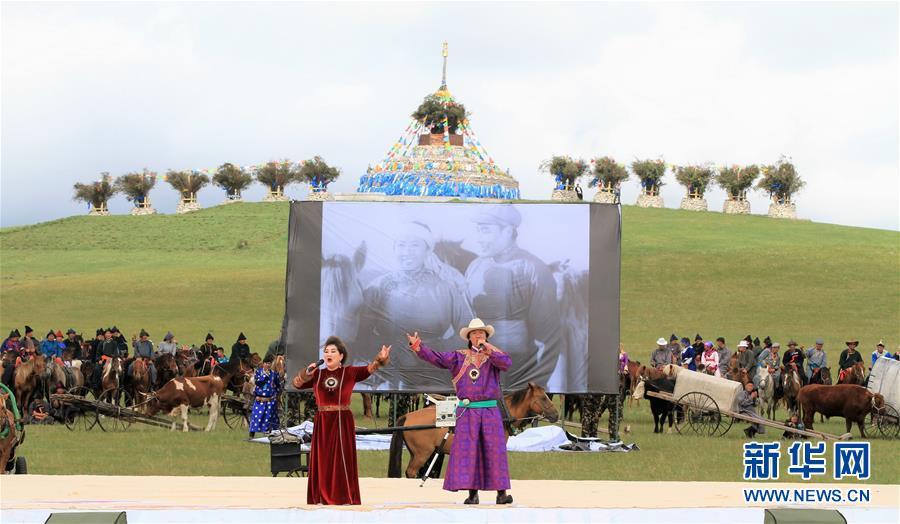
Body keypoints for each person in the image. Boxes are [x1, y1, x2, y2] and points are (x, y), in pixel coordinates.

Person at [406, 318, 514, 505]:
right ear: (469, 337)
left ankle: (501, 493)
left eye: (481, 333)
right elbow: (437, 358)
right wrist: (418, 346)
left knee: (494, 451)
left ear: (486, 336)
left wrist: (488, 348)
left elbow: (506, 363)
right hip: (468, 412)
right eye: (474, 333)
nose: (478, 335)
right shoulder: (459, 357)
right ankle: (472, 494)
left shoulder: (495, 356)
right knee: (469, 453)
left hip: (489, 411)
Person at [359, 220, 474, 390]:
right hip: (390, 375)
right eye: (401, 245)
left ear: (428, 250)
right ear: (394, 249)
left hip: (435, 373)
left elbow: (467, 331)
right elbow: (362, 334)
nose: (407, 252)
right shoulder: (377, 287)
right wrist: (385, 357)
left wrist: (438, 352)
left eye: (414, 245)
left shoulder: (445, 287)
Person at [464, 205, 565, 389]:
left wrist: (535, 386)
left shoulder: (534, 269)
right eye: (478, 230)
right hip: (476, 368)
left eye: (485, 230)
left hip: (517, 369)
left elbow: (548, 338)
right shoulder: (475, 267)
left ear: (508, 231)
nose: (479, 238)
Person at [292, 336, 391, 505]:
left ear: (341, 356)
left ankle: (343, 495)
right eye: (326, 351)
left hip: (341, 420)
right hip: (323, 421)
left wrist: (380, 359)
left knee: (341, 459)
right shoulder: (317, 374)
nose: (328, 354)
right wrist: (307, 372)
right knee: (322, 460)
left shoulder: (349, 372)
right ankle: (321, 495)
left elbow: (370, 369)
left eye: (332, 351)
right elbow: (297, 384)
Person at [249, 355, 283, 438]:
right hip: (259, 399)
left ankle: (268, 434)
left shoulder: (274, 374)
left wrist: (276, 395)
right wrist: (265, 375)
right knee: (256, 417)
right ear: (263, 364)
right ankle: (252, 434)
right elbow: (258, 382)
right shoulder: (258, 372)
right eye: (266, 363)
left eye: (269, 363)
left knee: (269, 418)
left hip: (270, 400)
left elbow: (278, 386)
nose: (267, 365)